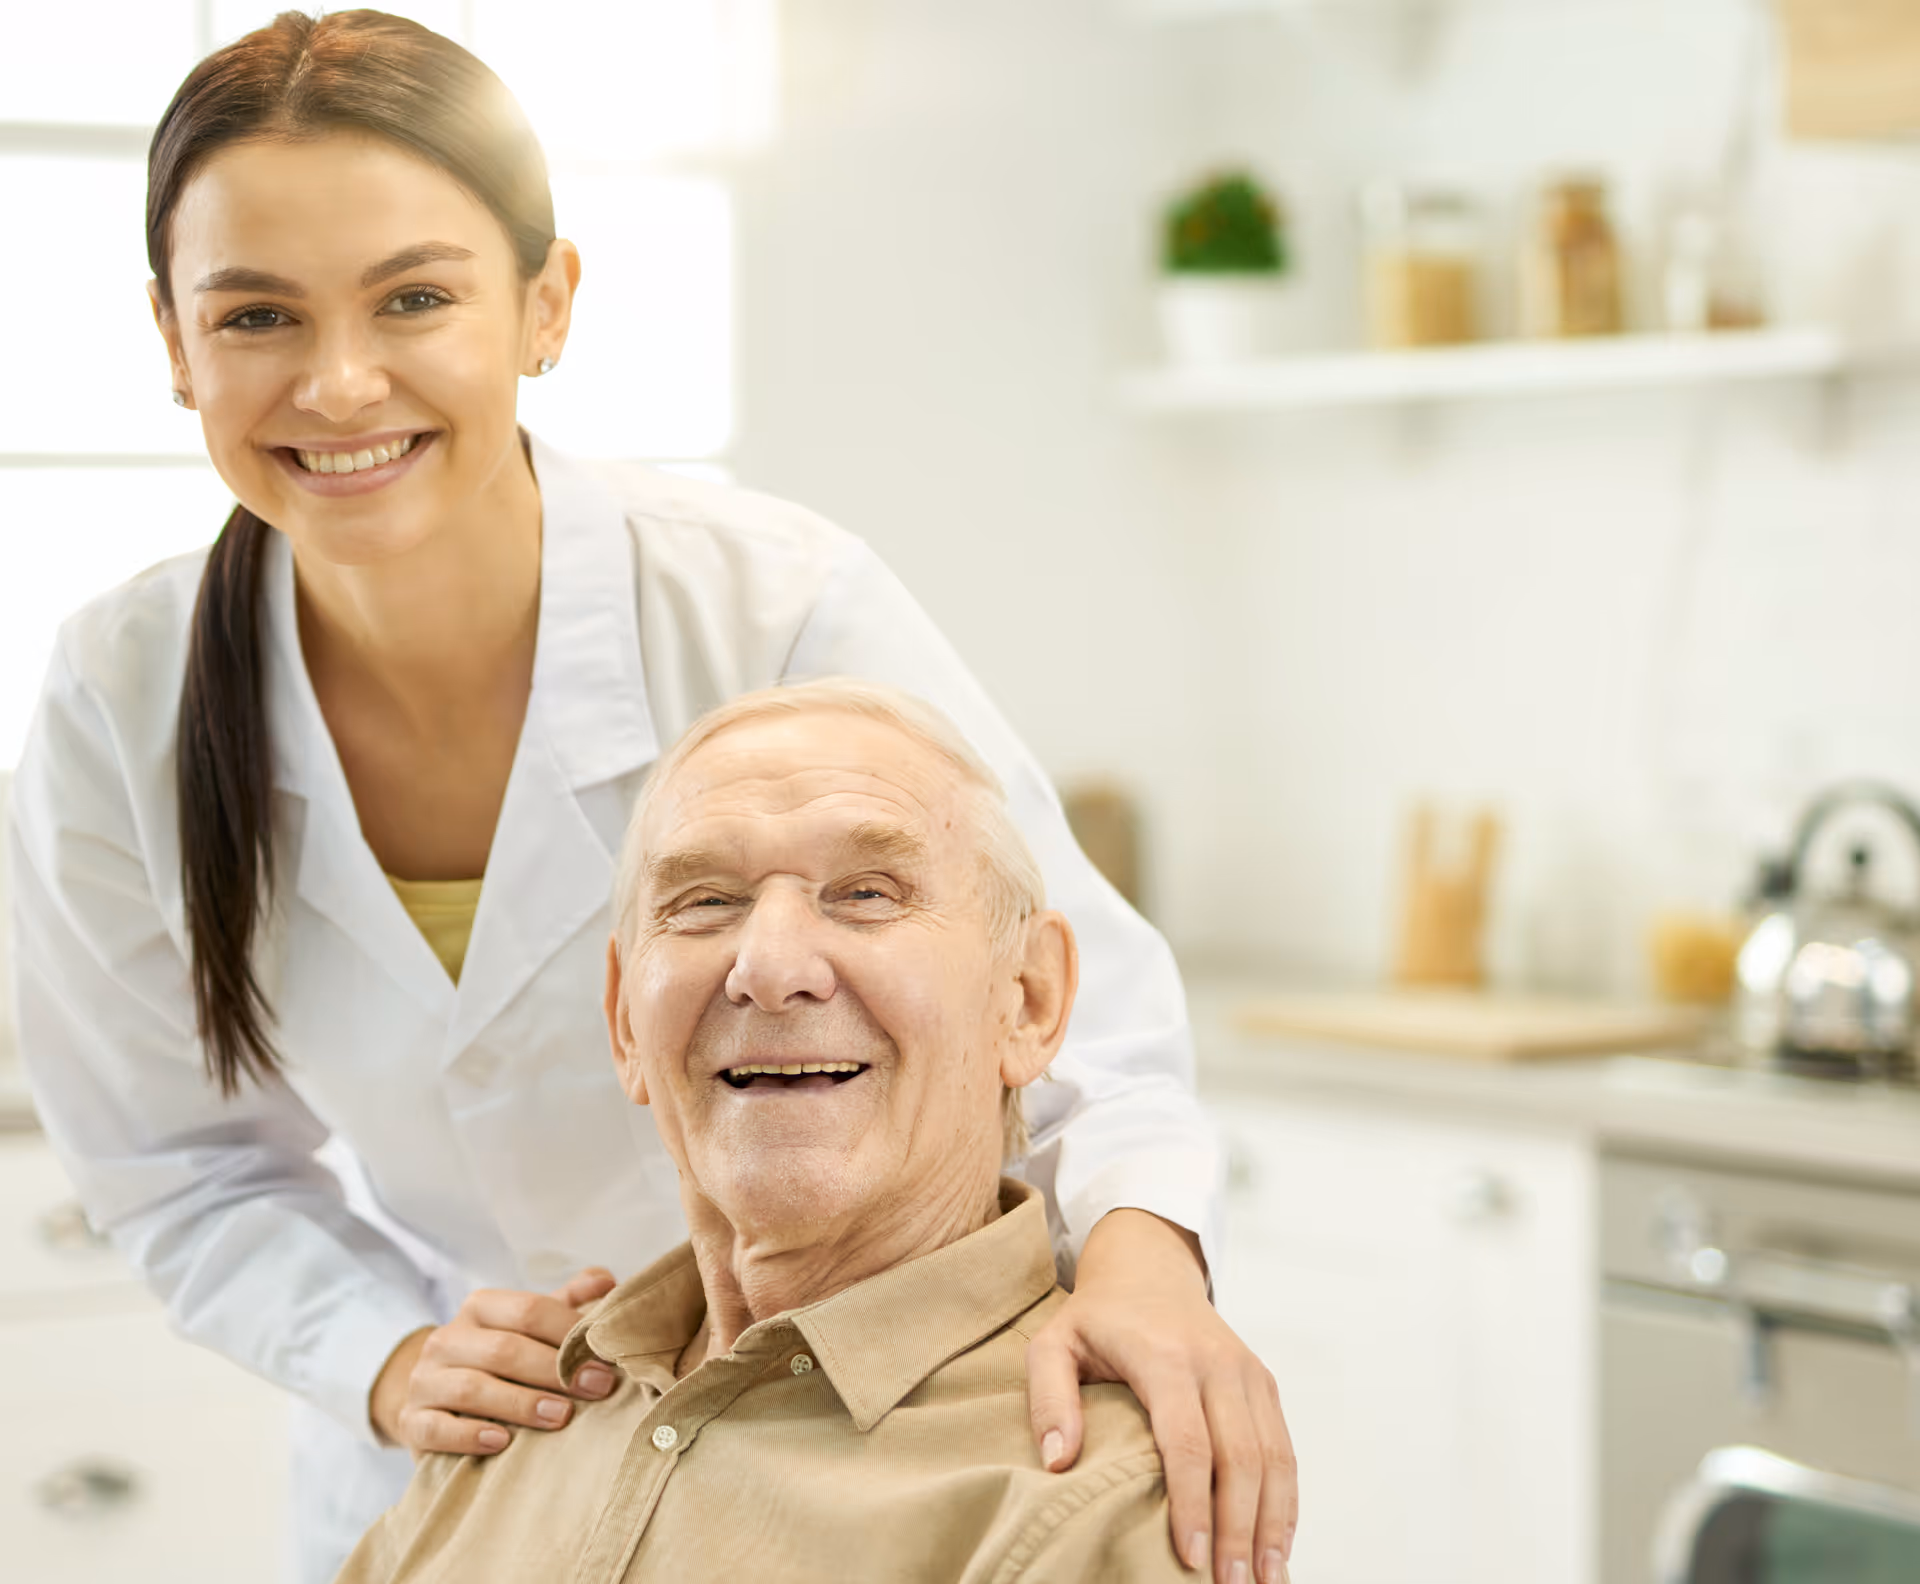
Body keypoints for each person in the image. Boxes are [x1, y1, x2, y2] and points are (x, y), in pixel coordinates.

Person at [5, 12, 1294, 1584]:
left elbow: (1069, 997)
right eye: (258, 314)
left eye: (415, 296)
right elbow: (173, 1164)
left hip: (825, 1406)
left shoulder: (770, 604)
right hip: (458, 1443)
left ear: (545, 306)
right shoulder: (116, 697)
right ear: (171, 341)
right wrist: (390, 1356)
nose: (340, 384)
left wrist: (1149, 1274)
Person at [338, 678, 1210, 1583]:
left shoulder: (1103, 1505)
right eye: (704, 901)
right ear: (625, 1024)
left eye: (868, 893)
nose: (768, 966)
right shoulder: (510, 1419)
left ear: (1026, 1000)